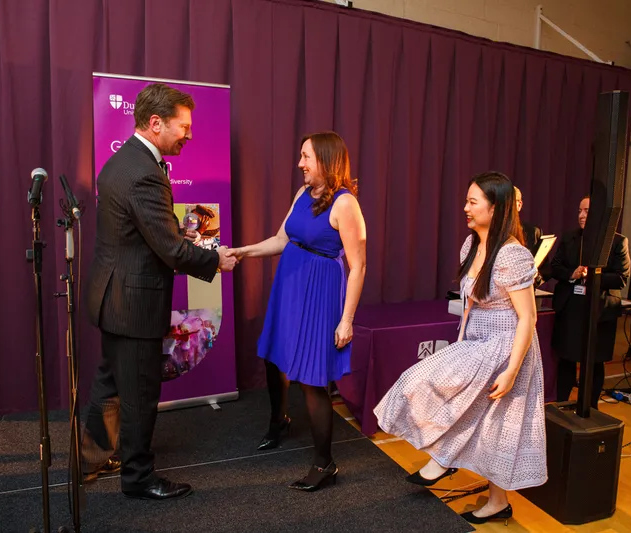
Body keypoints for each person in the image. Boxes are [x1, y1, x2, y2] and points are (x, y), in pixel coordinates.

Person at [81, 83, 237, 500]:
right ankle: (138, 477)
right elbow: (169, 247)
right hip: (132, 304)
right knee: (140, 394)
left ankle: (94, 457)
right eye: (183, 127)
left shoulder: (120, 162)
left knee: (110, 381)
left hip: (111, 296)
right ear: (155, 123)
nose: (189, 135)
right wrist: (215, 259)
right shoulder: (144, 173)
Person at [374, 172, 546, 525]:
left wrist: (513, 370)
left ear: (495, 208)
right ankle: (445, 457)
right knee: (421, 382)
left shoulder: (513, 255)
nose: (464, 208)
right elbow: (468, 303)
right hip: (477, 340)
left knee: (500, 428)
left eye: (472, 202)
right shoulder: (471, 246)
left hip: (508, 345)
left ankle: (487, 494)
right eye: (466, 200)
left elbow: (528, 318)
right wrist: (460, 342)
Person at [229, 131, 366, 492]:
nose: (300, 163)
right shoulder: (304, 194)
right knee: (274, 359)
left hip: (320, 294)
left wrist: (346, 319)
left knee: (312, 379)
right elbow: (281, 239)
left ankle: (325, 464)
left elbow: (358, 266)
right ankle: (279, 420)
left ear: (327, 160)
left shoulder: (345, 204)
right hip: (289, 286)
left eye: (306, 157)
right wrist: (241, 252)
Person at [550, 195, 630, 408]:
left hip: (600, 310)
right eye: (579, 211)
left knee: (594, 362)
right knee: (567, 358)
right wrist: (572, 274)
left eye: (586, 211)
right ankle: (561, 406)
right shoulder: (569, 238)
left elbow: (621, 277)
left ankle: (590, 408)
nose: (581, 215)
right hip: (571, 307)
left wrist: (592, 275)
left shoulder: (617, 242)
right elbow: (555, 267)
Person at [515, 186, 550, 285]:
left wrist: (536, 277)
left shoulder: (533, 232)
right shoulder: (492, 233)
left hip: (529, 292)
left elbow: (545, 270)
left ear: (519, 205)